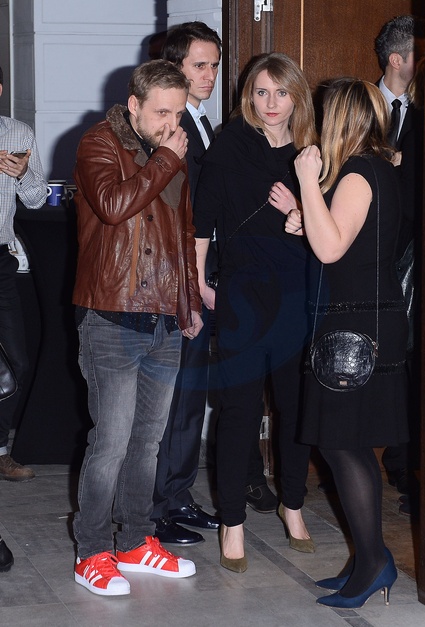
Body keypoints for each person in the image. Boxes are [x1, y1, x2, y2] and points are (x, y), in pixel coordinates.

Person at [72, 59, 203, 597]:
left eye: (179, 114)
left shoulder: (171, 151)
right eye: (161, 113)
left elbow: (183, 233)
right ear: (134, 106)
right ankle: (91, 551)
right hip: (110, 316)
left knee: (148, 443)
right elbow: (112, 205)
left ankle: (134, 542)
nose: (172, 125)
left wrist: (188, 301)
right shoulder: (98, 144)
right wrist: (167, 160)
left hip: (163, 318)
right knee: (111, 442)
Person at [152, 21, 276, 548]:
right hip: (183, 281)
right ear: (174, 67)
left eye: (214, 65)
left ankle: (177, 497)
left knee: (192, 395)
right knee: (177, 400)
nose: (209, 75)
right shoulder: (171, 126)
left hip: (210, 276)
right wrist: (194, 283)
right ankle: (160, 507)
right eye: (198, 65)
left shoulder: (206, 124)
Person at [286, 77, 408, 609]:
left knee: (342, 443)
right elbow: (345, 238)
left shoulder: (357, 172)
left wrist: (306, 181)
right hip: (365, 322)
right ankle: (368, 561)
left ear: (337, 120)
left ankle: (374, 563)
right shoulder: (377, 167)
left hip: (357, 328)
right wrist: (308, 216)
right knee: (347, 443)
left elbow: (332, 250)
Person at [194, 52, 317, 573]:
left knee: (295, 408)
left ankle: (294, 506)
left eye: (281, 93)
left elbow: (333, 227)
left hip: (296, 296)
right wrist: (199, 282)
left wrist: (300, 212)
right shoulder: (230, 146)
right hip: (243, 294)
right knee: (239, 411)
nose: (271, 103)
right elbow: (202, 222)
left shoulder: (311, 153)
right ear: (248, 95)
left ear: (296, 97)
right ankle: (232, 521)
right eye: (261, 92)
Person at [374, 14, 425, 500]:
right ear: (397, 59)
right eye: (417, 55)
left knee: (411, 355)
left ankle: (406, 463)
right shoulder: (357, 105)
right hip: (359, 249)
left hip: (413, 255)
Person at [0, 65, 47, 481]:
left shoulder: (18, 133)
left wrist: (23, 173)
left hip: (1, 261)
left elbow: (35, 200)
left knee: (16, 361)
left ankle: (0, 450)